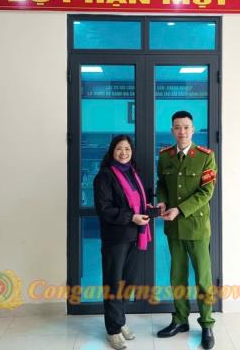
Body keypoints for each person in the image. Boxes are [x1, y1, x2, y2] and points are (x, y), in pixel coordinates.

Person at [156, 111, 217, 350]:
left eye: (186, 127)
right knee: (177, 276)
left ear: (193, 130)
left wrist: (180, 209)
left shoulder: (206, 157)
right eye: (177, 127)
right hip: (174, 228)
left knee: (203, 278)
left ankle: (207, 324)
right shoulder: (165, 156)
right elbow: (161, 184)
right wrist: (162, 201)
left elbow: (206, 192)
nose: (182, 131)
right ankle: (180, 320)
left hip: (197, 227)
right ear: (172, 130)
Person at [93, 135, 151, 350]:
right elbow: (104, 209)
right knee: (113, 283)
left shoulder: (133, 173)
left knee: (128, 282)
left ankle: (120, 320)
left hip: (135, 236)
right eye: (119, 149)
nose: (124, 153)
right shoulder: (105, 176)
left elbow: (138, 203)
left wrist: (151, 208)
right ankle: (113, 330)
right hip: (115, 238)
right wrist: (131, 217)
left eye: (127, 149)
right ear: (112, 151)